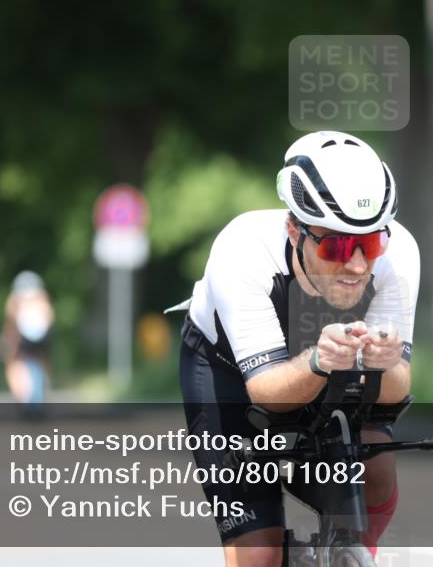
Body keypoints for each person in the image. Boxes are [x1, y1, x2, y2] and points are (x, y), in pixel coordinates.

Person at [179, 131, 419, 567]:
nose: (357, 265)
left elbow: (397, 389)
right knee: (259, 557)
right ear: (295, 230)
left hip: (331, 363)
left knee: (376, 468)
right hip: (230, 372)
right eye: (337, 245)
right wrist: (318, 361)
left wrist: (386, 365)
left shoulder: (399, 252)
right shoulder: (242, 251)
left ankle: (355, 554)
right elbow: (268, 393)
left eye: (368, 244)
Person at [0, 271, 55, 414]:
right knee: (42, 360)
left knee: (14, 363)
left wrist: (6, 341)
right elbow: (50, 318)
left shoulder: (15, 299)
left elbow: (11, 322)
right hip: (43, 338)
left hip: (24, 338)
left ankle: (21, 397)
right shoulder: (42, 297)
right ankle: (42, 391)